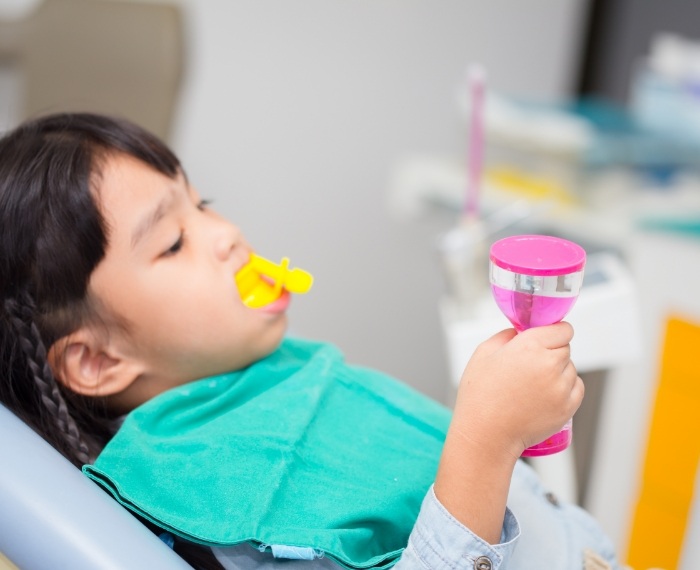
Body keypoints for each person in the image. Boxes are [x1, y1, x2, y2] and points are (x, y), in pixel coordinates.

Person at [0, 112, 619, 570]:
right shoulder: (221, 498)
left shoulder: (266, 378)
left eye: (202, 204)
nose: (228, 234)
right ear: (97, 358)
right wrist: (486, 441)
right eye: (172, 242)